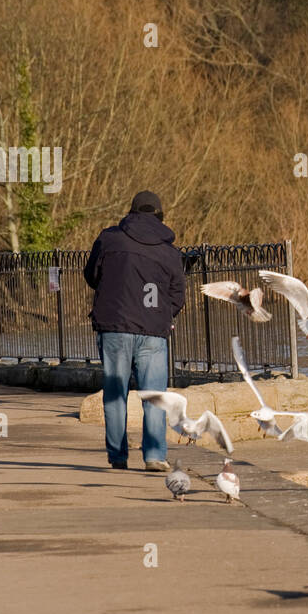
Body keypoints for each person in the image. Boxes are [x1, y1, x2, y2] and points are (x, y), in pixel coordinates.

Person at [83, 190, 185, 471]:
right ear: (160, 216)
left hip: (114, 327)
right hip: (153, 330)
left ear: (131, 212)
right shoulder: (170, 252)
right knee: (154, 396)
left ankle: (118, 456)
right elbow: (177, 295)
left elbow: (91, 276)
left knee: (115, 394)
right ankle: (154, 456)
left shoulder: (109, 238)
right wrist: (163, 314)